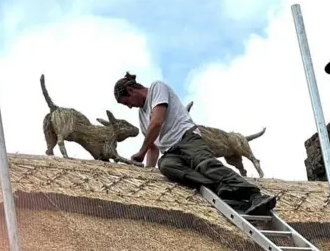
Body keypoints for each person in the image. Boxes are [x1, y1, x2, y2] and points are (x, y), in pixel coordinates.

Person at [113, 72, 276, 215]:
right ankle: (221, 188)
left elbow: (157, 122)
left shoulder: (157, 88)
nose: (129, 107)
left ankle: (254, 194)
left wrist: (140, 152)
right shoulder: (141, 116)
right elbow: (153, 148)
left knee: (205, 164)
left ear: (131, 90)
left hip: (187, 138)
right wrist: (149, 171)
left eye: (126, 102)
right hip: (170, 153)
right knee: (167, 166)